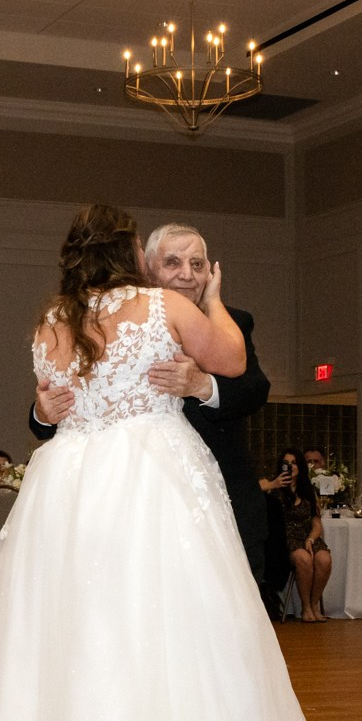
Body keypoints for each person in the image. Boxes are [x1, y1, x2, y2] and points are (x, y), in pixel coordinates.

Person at [0, 203, 334, 721]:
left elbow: (52, 403)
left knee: (81, 620)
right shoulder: (166, 308)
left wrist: (49, 412)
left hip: (71, 482)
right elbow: (233, 359)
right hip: (149, 473)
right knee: (175, 614)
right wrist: (213, 299)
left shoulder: (52, 320)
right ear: (131, 253)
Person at [30, 219, 274, 616]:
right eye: (174, 262)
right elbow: (70, 398)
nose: (186, 274)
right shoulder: (104, 317)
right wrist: (42, 412)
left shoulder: (234, 321)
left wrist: (202, 386)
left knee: (225, 617)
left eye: (198, 264)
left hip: (222, 492)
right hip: (126, 495)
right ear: (146, 266)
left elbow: (255, 388)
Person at [259, 448, 331, 623]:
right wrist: (273, 484)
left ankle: (314, 605)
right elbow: (254, 489)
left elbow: (316, 522)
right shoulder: (272, 485)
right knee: (304, 560)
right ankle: (305, 607)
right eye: (286, 463)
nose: (290, 467)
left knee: (324, 559)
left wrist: (311, 539)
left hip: (307, 536)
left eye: (294, 463)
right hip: (284, 538)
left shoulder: (308, 490)